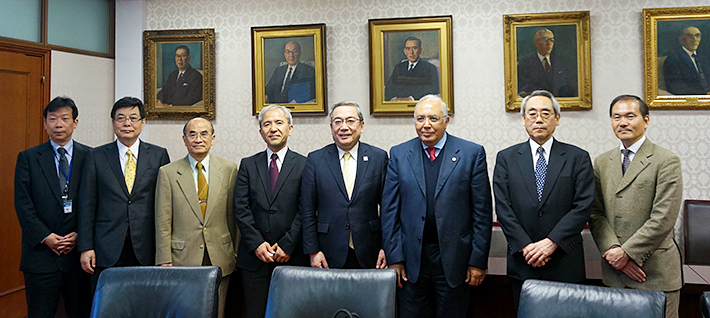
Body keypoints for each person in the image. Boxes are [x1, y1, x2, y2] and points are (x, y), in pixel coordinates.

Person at [381, 95, 492, 318]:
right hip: (412, 261)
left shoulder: (471, 154)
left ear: (446, 121)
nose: (426, 124)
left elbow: (482, 213)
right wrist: (395, 258)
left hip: (455, 261)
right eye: (420, 118)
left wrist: (477, 261)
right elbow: (389, 211)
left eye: (433, 118)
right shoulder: (399, 154)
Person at [492, 90, 594, 307]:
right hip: (523, 261)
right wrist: (527, 247)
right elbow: (503, 207)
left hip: (565, 261)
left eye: (546, 113)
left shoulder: (578, 158)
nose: (538, 119)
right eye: (532, 113)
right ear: (523, 119)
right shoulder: (506, 158)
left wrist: (551, 243)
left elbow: (583, 206)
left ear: (557, 119)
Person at [589, 95, 683, 318]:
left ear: (646, 120)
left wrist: (628, 254)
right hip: (615, 274)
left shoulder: (666, 160)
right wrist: (613, 252)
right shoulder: (602, 162)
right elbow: (595, 213)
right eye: (616, 117)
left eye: (630, 116)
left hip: (655, 273)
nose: (622, 122)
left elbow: (663, 218)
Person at [77, 97, 171, 294]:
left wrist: (165, 251)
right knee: (108, 305)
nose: (127, 123)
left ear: (143, 123)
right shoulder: (96, 156)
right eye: (121, 118)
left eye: (133, 118)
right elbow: (87, 204)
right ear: (112, 123)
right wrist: (86, 247)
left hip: (146, 246)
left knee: (144, 305)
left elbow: (165, 205)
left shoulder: (158, 155)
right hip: (106, 247)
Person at [14, 97, 92, 318]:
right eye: (53, 119)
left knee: (81, 312)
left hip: (78, 256)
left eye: (65, 119)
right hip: (41, 256)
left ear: (75, 123)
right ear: (45, 124)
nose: (59, 124)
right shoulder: (28, 158)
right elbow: (23, 204)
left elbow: (95, 203)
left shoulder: (91, 156)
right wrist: (46, 236)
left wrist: (80, 234)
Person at [155, 117, 238, 318]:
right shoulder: (167, 173)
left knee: (217, 311)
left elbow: (234, 216)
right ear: (184, 139)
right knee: (185, 311)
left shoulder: (229, 169)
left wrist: (235, 249)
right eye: (192, 134)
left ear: (212, 138)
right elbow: (162, 220)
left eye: (203, 134)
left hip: (220, 254)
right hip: (181, 257)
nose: (198, 139)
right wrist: (164, 258)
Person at [234, 105, 308, 318]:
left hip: (292, 256)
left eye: (279, 123)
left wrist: (287, 244)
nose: (273, 128)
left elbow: (307, 209)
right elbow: (241, 208)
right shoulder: (248, 165)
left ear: (290, 128)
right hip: (255, 259)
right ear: (260, 132)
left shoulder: (305, 164)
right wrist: (257, 244)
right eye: (267, 124)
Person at [301, 101, 388, 270]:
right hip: (327, 251)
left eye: (350, 121)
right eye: (337, 121)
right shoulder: (315, 160)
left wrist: (387, 247)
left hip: (371, 249)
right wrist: (313, 251)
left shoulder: (379, 158)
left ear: (361, 126)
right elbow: (307, 210)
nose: (344, 127)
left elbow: (388, 209)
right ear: (331, 127)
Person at [518, 28, 577, 97]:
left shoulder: (561, 62)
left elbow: (571, 85)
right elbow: (523, 90)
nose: (549, 43)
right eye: (545, 39)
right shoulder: (525, 64)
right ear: (535, 43)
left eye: (551, 40)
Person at [385, 36, 440, 101]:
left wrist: (411, 98)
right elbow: (389, 88)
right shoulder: (399, 67)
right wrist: (394, 99)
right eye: (408, 48)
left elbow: (432, 90)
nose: (411, 52)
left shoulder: (430, 68)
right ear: (405, 51)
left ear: (421, 50)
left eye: (414, 48)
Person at [663, 26, 710, 95]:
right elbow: (678, 87)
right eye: (689, 36)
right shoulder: (673, 59)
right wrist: (705, 94)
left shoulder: (703, 57)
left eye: (697, 35)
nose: (694, 39)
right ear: (681, 40)